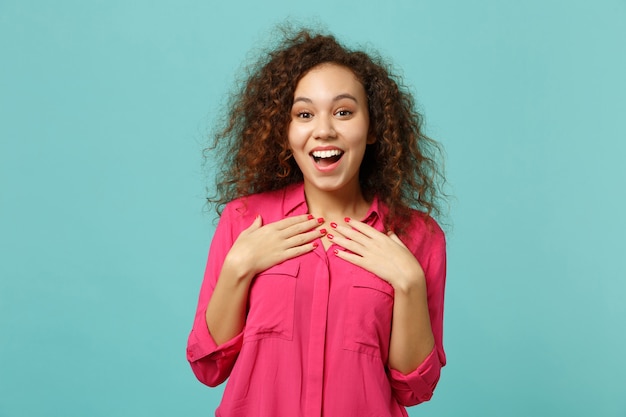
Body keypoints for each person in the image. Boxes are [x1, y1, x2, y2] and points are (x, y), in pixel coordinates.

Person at [187, 28, 447, 417]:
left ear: (373, 127)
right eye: (304, 114)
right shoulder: (244, 221)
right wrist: (240, 267)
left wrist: (408, 283)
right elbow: (208, 366)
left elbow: (415, 388)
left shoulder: (418, 236)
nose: (323, 129)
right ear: (285, 130)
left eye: (343, 112)